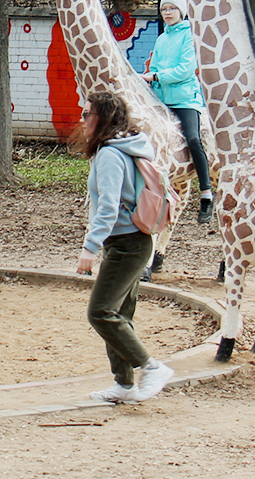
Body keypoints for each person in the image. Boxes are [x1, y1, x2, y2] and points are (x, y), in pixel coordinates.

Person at [73, 91, 177, 405]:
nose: (82, 118)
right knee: (120, 314)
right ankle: (124, 384)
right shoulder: (125, 146)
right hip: (133, 241)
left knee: (101, 312)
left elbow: (107, 207)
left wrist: (89, 248)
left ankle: (152, 367)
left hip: (127, 243)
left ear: (101, 118)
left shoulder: (109, 153)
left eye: (87, 113)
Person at [142, 0, 214, 227]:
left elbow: (184, 70)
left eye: (171, 8)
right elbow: (153, 65)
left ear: (181, 11)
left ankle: (206, 192)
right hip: (162, 100)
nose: (167, 13)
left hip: (184, 100)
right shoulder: (162, 38)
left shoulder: (189, 37)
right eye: (164, 9)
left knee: (193, 138)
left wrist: (156, 76)